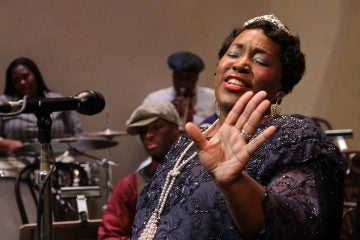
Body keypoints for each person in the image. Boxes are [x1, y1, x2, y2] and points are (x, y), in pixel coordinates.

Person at [132, 14, 345, 240]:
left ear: (282, 86)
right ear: (218, 67)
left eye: (260, 61)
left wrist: (235, 184)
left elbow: (299, 228)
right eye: (233, 54)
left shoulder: (296, 138)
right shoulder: (188, 142)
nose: (240, 64)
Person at [0, 57, 83, 240]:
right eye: (16, 80)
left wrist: (71, 148)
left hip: (58, 165)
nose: (23, 82)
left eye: (26, 76)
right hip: (17, 169)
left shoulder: (57, 101)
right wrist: (7, 144)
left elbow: (78, 134)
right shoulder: (6, 104)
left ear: (35, 75)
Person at [97, 101, 182, 240]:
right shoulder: (130, 185)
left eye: (155, 127)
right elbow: (109, 236)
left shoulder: (202, 173)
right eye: (142, 131)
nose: (147, 135)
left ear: (176, 129)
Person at [143, 51, 216, 127]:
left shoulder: (213, 98)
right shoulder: (154, 99)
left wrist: (192, 119)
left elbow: (219, 126)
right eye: (179, 78)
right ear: (173, 76)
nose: (183, 84)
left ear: (196, 77)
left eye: (188, 79)